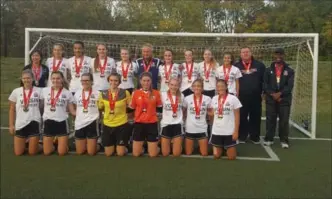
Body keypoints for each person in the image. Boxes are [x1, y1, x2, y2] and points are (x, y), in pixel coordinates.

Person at [263, 48, 294, 149]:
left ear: (284, 55)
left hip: (284, 100)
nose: (278, 56)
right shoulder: (268, 70)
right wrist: (273, 94)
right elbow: (264, 84)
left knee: (284, 121)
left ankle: (284, 140)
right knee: (270, 119)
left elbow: (289, 86)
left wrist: (280, 94)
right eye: (276, 54)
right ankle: (269, 139)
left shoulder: (289, 70)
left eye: (280, 54)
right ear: (273, 55)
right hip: (271, 99)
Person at [234, 46, 266, 144]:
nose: (245, 54)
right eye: (243, 52)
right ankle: (242, 136)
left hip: (256, 96)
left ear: (251, 53)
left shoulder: (260, 65)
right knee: (242, 116)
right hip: (241, 96)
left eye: (247, 52)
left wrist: (263, 92)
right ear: (240, 54)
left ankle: (254, 136)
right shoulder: (236, 66)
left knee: (255, 116)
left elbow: (264, 80)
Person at [8, 69, 43, 156]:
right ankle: (28, 142)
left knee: (32, 152)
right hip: (20, 123)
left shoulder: (39, 91)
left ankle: (44, 145)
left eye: (28, 78)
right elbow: (12, 109)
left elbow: (42, 107)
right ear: (21, 79)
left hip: (34, 122)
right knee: (18, 153)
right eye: (24, 78)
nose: (26, 80)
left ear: (33, 79)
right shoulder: (16, 91)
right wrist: (11, 125)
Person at [41, 71, 75, 156]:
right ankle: (54, 143)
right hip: (48, 122)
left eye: (58, 78)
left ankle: (62, 145)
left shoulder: (67, 93)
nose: (56, 80)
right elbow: (39, 106)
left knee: (62, 152)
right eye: (53, 78)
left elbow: (72, 111)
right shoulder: (44, 91)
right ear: (51, 79)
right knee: (47, 152)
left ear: (62, 79)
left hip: (62, 122)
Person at [98, 73, 132, 157]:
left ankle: (125, 147)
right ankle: (114, 144)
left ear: (119, 82)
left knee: (120, 153)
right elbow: (100, 107)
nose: (113, 82)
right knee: (108, 153)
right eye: (111, 80)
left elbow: (131, 107)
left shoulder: (125, 93)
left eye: (116, 80)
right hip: (107, 124)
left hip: (121, 124)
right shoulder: (103, 93)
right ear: (108, 81)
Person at [130, 72, 162, 157]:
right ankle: (142, 148)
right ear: (140, 81)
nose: (146, 83)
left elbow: (159, 108)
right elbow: (132, 108)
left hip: (152, 123)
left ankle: (155, 147)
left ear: (151, 81)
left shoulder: (156, 93)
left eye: (148, 80)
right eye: (144, 80)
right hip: (139, 123)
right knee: (136, 154)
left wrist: (156, 116)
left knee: (153, 155)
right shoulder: (135, 93)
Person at [208, 79, 242, 160]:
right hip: (217, 131)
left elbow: (237, 116)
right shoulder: (214, 99)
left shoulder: (233, 98)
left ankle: (227, 147)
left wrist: (236, 131)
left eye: (222, 86)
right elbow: (212, 113)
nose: (220, 88)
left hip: (229, 132)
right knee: (216, 156)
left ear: (226, 87)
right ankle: (222, 147)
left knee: (231, 157)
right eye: (218, 86)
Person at [73, 73, 100, 155]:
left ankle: (98, 144)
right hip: (80, 123)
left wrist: (99, 119)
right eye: (83, 80)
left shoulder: (98, 93)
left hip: (92, 122)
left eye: (87, 80)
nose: (85, 82)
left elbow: (101, 108)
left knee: (91, 152)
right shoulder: (77, 93)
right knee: (80, 152)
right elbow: (75, 108)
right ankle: (87, 143)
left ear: (91, 81)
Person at [183, 79, 211, 156]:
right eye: (195, 86)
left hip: (202, 128)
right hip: (190, 128)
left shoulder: (207, 99)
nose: (197, 88)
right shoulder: (187, 98)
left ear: (202, 88)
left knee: (204, 153)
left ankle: (199, 147)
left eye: (199, 86)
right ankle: (193, 147)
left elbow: (210, 112)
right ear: (192, 88)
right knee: (188, 153)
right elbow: (183, 112)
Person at [160, 78, 184, 157]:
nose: (174, 87)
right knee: (165, 153)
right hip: (166, 125)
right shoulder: (163, 95)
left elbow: (183, 109)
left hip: (177, 125)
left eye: (176, 85)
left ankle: (177, 143)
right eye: (172, 85)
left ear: (179, 86)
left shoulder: (182, 96)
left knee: (176, 154)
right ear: (168, 85)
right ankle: (171, 142)